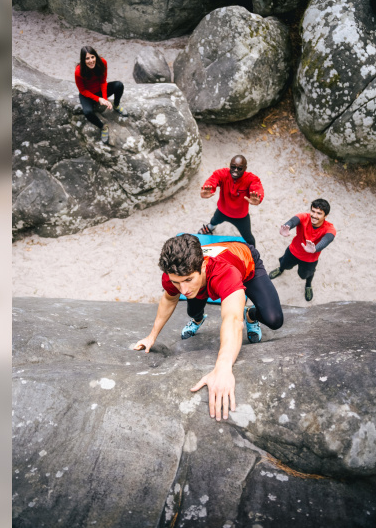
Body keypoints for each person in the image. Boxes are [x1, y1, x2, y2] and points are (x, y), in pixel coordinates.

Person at [133, 234, 283, 421]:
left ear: (202, 266)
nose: (183, 290)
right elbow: (169, 298)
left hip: (243, 260)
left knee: (274, 319)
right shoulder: (175, 274)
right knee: (192, 309)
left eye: (188, 280)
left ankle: (251, 314)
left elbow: (232, 319)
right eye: (176, 282)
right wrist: (151, 336)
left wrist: (222, 368)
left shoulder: (224, 272)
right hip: (209, 270)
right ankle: (197, 319)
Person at [269, 198, 337, 302]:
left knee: (306, 275)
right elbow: (293, 220)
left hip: (310, 259)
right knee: (284, 264)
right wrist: (287, 226)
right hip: (293, 251)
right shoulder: (304, 217)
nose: (314, 215)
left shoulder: (329, 228)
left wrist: (315, 249)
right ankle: (280, 269)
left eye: (319, 213)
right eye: (313, 211)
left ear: (325, 216)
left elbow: (328, 239)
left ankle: (308, 285)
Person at [197, 155, 264, 246]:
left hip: (241, 216)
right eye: (233, 167)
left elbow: (256, 187)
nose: (235, 170)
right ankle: (210, 228)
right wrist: (208, 188)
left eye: (239, 168)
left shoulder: (251, 178)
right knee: (213, 221)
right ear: (230, 165)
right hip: (222, 211)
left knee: (249, 238)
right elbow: (213, 179)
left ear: (245, 168)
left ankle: (253, 254)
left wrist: (258, 198)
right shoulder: (222, 173)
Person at [75, 46, 127, 144]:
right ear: (83, 60)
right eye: (87, 58)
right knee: (87, 112)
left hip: (99, 90)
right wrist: (98, 99)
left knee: (119, 85)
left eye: (92, 57)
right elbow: (82, 90)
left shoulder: (102, 63)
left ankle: (116, 105)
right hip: (87, 94)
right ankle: (103, 127)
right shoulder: (78, 71)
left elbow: (103, 81)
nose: (90, 61)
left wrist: (105, 98)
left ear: (96, 57)